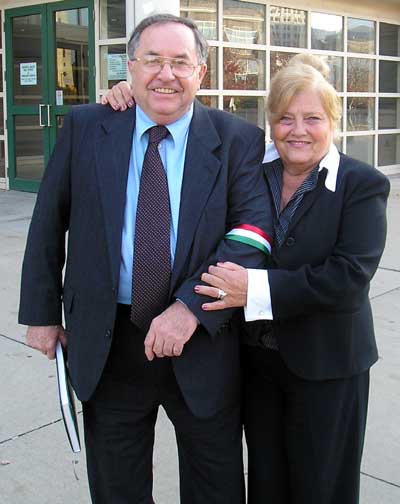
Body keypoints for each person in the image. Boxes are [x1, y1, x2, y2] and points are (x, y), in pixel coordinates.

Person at [19, 13, 273, 504]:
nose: (166, 74)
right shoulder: (87, 127)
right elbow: (49, 221)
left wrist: (189, 310)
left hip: (202, 342)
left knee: (215, 485)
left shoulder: (238, 139)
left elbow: (251, 236)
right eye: (152, 60)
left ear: (201, 72)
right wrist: (42, 314)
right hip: (109, 340)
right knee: (117, 487)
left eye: (181, 62)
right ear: (129, 68)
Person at [194, 54, 390, 504]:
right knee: (266, 482)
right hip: (258, 365)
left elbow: (347, 278)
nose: (297, 131)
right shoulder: (250, 172)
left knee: (322, 487)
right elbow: (188, 114)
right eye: (285, 119)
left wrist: (253, 290)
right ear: (270, 123)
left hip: (327, 365)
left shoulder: (362, 185)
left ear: (333, 122)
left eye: (312, 119)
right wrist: (125, 96)